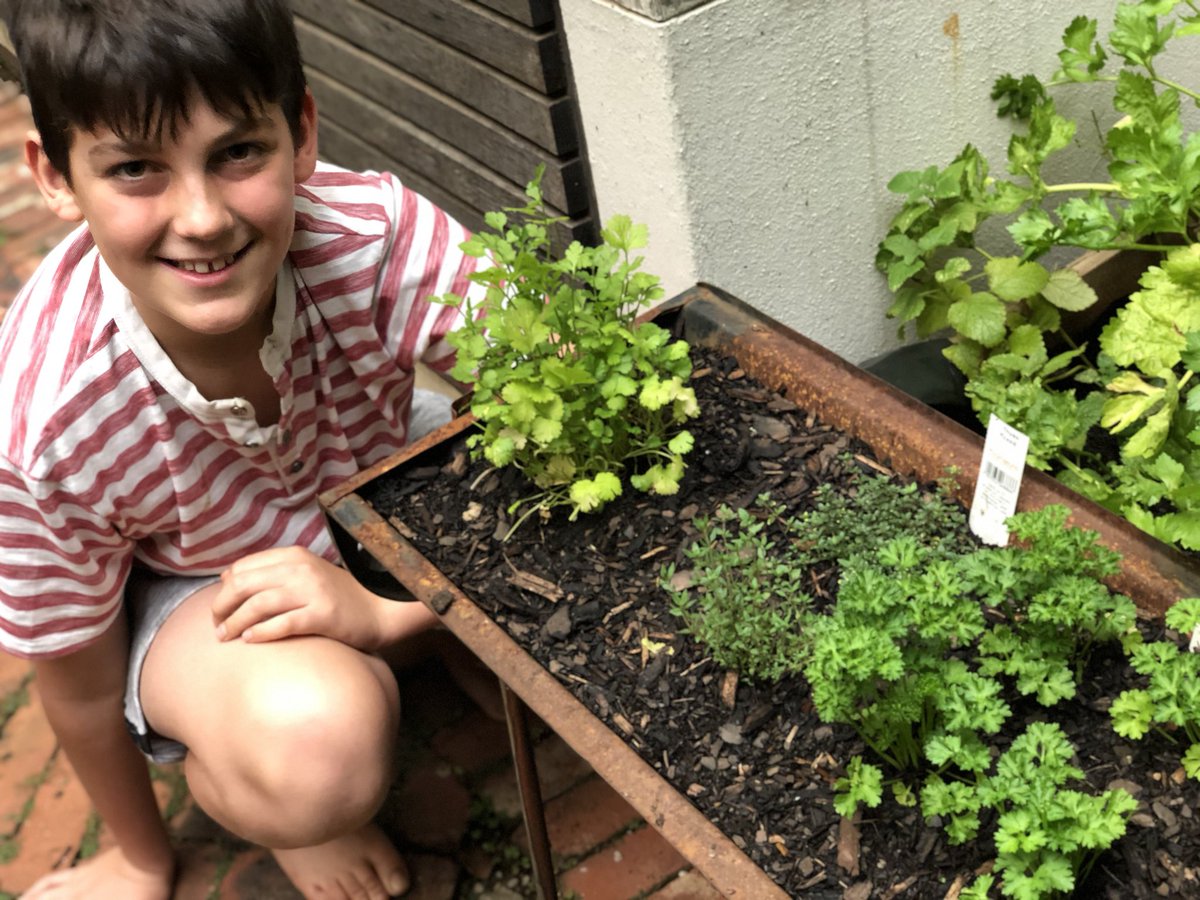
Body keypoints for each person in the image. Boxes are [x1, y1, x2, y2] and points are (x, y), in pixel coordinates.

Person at [0, 1, 489, 897]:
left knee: (554, 572)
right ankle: (270, 789)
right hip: (200, 582)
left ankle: (418, 641)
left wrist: (390, 614)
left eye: (236, 153)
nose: (202, 218)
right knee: (316, 746)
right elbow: (72, 674)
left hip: (375, 480)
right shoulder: (46, 420)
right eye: (135, 168)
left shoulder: (375, 238)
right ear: (57, 176)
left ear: (300, 131)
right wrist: (142, 858)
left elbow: (567, 398)